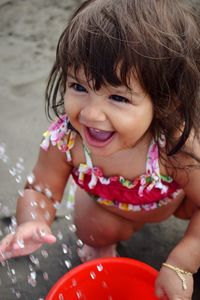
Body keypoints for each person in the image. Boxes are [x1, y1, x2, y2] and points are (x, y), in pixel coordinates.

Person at [1, 0, 200, 298]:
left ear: (164, 102)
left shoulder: (175, 149)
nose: (91, 114)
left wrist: (183, 262)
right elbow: (41, 189)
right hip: (108, 209)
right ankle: (102, 243)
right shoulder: (67, 142)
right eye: (79, 87)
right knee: (92, 227)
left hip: (178, 203)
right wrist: (33, 221)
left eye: (118, 98)